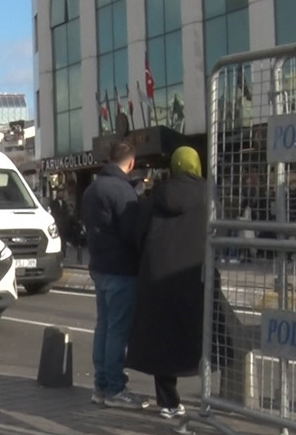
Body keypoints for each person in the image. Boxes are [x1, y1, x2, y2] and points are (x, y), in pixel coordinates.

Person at [127, 147, 208, 419]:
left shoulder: (157, 195)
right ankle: (209, 398)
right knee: (205, 331)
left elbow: (139, 232)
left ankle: (169, 402)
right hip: (194, 272)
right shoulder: (209, 194)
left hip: (158, 273)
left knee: (163, 338)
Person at [80, 141, 148, 409]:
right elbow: (133, 233)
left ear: (109, 159)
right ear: (131, 163)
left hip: (99, 266)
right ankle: (115, 389)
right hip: (122, 268)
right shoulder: (123, 191)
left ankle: (101, 385)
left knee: (104, 327)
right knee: (118, 330)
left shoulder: (91, 189)